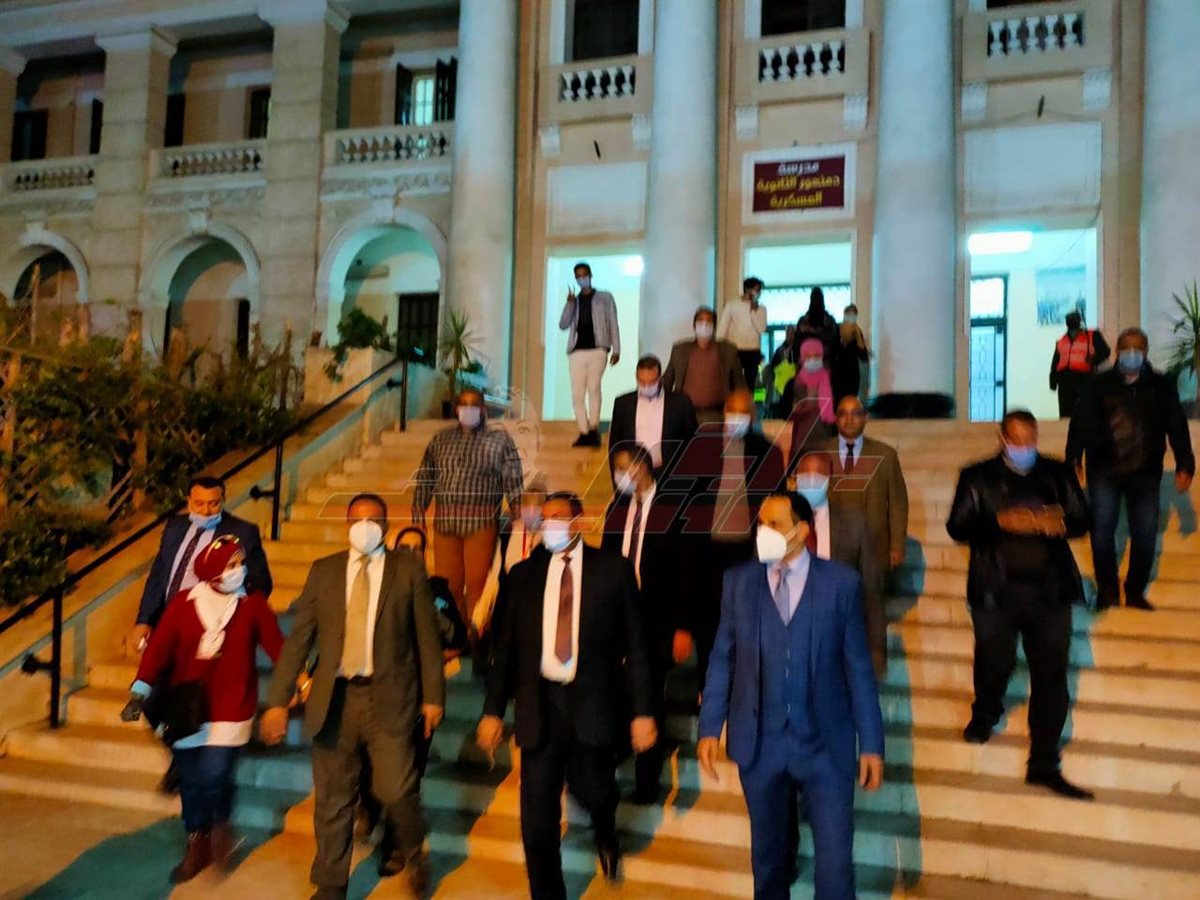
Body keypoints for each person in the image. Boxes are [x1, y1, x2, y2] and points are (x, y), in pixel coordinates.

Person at [698, 491, 884, 900]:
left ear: (801, 531)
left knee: (835, 868)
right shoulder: (738, 583)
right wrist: (710, 726)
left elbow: (858, 668)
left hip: (824, 747)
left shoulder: (841, 585)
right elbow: (722, 658)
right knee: (768, 863)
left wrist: (871, 743)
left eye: (774, 524)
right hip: (760, 746)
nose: (763, 532)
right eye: (761, 523)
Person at [260, 494, 446, 900]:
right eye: (357, 520)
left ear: (386, 525)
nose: (365, 527)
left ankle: (413, 850)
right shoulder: (324, 571)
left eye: (373, 520)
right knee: (333, 799)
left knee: (396, 789)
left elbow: (427, 639)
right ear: (346, 525)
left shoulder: (407, 569)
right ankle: (331, 884)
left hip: (389, 699)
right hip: (335, 700)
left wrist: (433, 696)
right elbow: (300, 639)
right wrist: (277, 700)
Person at [477, 492, 656, 900]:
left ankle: (605, 827)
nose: (550, 523)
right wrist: (492, 711)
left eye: (559, 515)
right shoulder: (522, 575)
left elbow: (638, 644)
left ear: (579, 520)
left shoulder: (612, 570)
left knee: (595, 790)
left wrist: (643, 712)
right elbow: (506, 650)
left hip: (594, 703)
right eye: (545, 517)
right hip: (540, 706)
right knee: (536, 821)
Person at [948, 410, 1095, 800]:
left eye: (1031, 440)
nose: (1025, 447)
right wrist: (1000, 522)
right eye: (1017, 440)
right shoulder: (977, 476)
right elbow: (957, 527)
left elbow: (1082, 520)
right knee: (993, 659)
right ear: (1002, 438)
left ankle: (1043, 762)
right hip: (996, 591)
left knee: (1051, 675)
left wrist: (1057, 523)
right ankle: (986, 710)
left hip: (1050, 592)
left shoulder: (1056, 473)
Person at [121, 536, 284, 883]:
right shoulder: (184, 603)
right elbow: (158, 650)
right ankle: (197, 839)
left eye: (241, 564)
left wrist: (297, 680)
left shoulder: (252, 605)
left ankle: (220, 823)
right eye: (231, 565)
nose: (239, 571)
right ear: (212, 570)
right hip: (188, 706)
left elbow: (278, 647)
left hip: (233, 704)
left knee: (214, 774)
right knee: (191, 778)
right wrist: (139, 690)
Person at [129, 474, 273, 795]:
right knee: (152, 700)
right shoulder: (174, 528)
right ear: (188, 500)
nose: (207, 510)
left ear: (223, 500)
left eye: (214, 504)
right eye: (199, 504)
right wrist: (144, 619)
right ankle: (180, 750)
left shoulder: (243, 532)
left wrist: (233, 603)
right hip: (172, 626)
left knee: (201, 702)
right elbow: (159, 576)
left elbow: (262, 582)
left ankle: (192, 765)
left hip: (212, 630)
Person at [1067, 327, 1195, 610]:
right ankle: (1107, 591)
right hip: (1103, 469)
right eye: (1126, 349)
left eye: (1138, 349)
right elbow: (1080, 424)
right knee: (1101, 532)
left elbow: (1177, 425)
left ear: (1146, 352)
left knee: (1145, 532)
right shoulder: (1097, 385)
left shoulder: (1161, 385)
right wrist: (1073, 458)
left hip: (1146, 470)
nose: (1132, 354)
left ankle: (1135, 591)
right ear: (1117, 351)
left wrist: (1185, 463)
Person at [672, 388, 786, 676]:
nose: (736, 417)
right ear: (724, 414)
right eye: (732, 411)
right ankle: (707, 687)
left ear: (753, 415)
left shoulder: (768, 453)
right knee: (708, 628)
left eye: (743, 412)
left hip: (748, 554)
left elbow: (778, 507)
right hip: (706, 553)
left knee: (746, 629)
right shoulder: (701, 448)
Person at [601, 442, 689, 804]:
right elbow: (604, 560)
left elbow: (688, 571)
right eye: (616, 468)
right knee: (617, 691)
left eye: (626, 467)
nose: (621, 475)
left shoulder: (673, 507)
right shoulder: (617, 508)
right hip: (618, 616)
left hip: (657, 617)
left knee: (649, 695)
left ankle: (647, 782)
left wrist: (683, 626)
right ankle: (619, 753)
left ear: (644, 466)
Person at [413, 388, 524, 626]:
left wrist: (519, 515)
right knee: (447, 585)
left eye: (474, 404)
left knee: (478, 584)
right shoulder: (440, 440)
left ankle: (478, 633)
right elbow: (425, 477)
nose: (468, 409)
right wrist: (418, 510)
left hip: (480, 523)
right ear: (456, 409)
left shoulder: (499, 440)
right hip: (445, 524)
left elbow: (513, 480)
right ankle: (455, 632)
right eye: (463, 404)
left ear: (483, 409)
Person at [819, 396, 909, 675]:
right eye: (843, 413)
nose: (849, 419)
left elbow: (897, 502)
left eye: (855, 413)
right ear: (836, 418)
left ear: (865, 418)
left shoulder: (885, 455)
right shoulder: (820, 452)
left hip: (873, 545)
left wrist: (896, 545)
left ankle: (873, 665)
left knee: (871, 605)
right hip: (833, 544)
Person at [559, 261, 620, 447]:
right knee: (577, 393)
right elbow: (563, 324)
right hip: (576, 351)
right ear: (575, 279)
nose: (582, 278)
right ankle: (583, 431)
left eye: (584, 274)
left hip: (598, 349)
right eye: (578, 276)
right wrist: (569, 303)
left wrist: (616, 349)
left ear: (590, 275)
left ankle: (593, 428)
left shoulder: (605, 297)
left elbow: (613, 322)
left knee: (594, 387)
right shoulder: (574, 300)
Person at [607, 354, 698, 478]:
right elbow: (615, 444)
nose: (646, 386)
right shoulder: (623, 404)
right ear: (636, 377)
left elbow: (692, 442)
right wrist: (617, 477)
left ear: (660, 378)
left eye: (651, 382)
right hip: (634, 474)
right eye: (642, 381)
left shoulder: (681, 403)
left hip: (671, 474)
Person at [662, 307, 746, 425]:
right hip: (685, 414)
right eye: (700, 321)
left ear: (714, 326)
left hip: (718, 414)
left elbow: (740, 384)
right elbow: (667, 381)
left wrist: (742, 411)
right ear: (694, 325)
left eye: (709, 321)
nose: (704, 325)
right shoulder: (679, 350)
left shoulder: (728, 350)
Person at [1049, 312, 1110, 419]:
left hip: (1084, 378)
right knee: (1065, 413)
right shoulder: (1062, 341)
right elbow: (1056, 362)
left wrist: (1093, 361)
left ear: (1079, 321)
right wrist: (1053, 382)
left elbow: (1105, 351)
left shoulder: (1092, 335)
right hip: (1064, 380)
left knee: (1085, 410)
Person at [788, 338, 836, 466]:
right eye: (808, 356)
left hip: (825, 438)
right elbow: (789, 413)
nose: (813, 360)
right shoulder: (796, 383)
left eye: (816, 356)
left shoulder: (830, 380)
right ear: (802, 358)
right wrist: (808, 403)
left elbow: (834, 411)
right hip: (803, 440)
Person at [718, 276, 768, 394]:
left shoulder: (762, 309)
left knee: (750, 384)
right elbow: (723, 327)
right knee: (733, 382)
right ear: (747, 289)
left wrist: (753, 311)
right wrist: (719, 347)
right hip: (735, 350)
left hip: (753, 351)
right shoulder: (732, 305)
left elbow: (761, 329)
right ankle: (732, 404)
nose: (759, 293)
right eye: (757, 290)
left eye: (760, 290)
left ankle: (748, 404)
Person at [831, 303, 869, 404]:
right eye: (849, 314)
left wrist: (858, 340)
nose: (852, 317)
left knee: (850, 402)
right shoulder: (837, 329)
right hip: (838, 374)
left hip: (852, 374)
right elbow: (833, 350)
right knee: (838, 403)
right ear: (845, 314)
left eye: (854, 315)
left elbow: (863, 355)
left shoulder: (857, 332)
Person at [792, 286, 838, 365]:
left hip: (811, 361)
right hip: (823, 361)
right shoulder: (830, 321)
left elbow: (796, 345)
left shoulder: (803, 322)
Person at [766, 325, 798, 419]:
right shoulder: (780, 350)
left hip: (795, 382)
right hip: (783, 384)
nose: (790, 335)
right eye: (788, 333)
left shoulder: (798, 348)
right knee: (785, 405)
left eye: (792, 333)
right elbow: (773, 366)